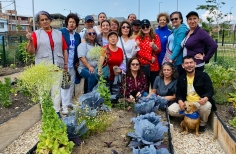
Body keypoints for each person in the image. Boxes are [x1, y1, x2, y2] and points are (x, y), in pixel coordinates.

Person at [26, 11, 68, 118]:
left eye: (46, 19)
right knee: (44, 92)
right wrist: (30, 41)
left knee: (56, 92)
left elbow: (64, 50)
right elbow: (31, 52)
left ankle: (56, 113)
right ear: (39, 22)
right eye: (42, 20)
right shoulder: (36, 34)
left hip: (57, 67)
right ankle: (46, 115)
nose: (45, 21)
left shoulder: (59, 33)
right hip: (43, 69)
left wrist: (66, 64)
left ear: (50, 20)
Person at [168, 55, 217, 132]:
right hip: (187, 103)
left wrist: (206, 98)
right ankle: (189, 117)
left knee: (207, 106)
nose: (189, 65)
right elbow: (179, 93)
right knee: (171, 110)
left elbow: (210, 90)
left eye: (191, 62)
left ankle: (201, 124)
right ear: (183, 66)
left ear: (195, 63)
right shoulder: (181, 78)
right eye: (186, 63)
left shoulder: (203, 76)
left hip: (199, 103)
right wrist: (180, 101)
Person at [60, 13, 81, 114]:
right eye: (70, 22)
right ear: (67, 23)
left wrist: (77, 61)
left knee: (71, 83)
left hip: (73, 63)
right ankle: (64, 106)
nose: (72, 24)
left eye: (74, 22)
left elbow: (78, 49)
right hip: (64, 63)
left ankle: (69, 102)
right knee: (65, 84)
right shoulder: (61, 32)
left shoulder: (77, 36)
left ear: (76, 24)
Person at [135, 19, 162, 89]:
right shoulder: (138, 38)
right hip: (143, 65)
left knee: (155, 87)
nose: (145, 28)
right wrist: (150, 57)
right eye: (143, 27)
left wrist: (154, 46)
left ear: (150, 27)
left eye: (147, 26)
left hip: (154, 66)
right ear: (141, 28)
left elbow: (158, 50)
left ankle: (155, 99)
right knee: (144, 87)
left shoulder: (155, 36)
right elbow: (138, 51)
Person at [98, 31, 126, 96]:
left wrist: (120, 70)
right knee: (106, 97)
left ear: (117, 39)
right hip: (106, 76)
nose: (113, 39)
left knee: (115, 97)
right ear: (108, 39)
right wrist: (99, 69)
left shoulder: (120, 50)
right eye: (111, 37)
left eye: (114, 37)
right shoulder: (104, 49)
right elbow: (101, 60)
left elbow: (121, 63)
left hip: (116, 77)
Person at [77, 28, 99, 92]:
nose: (92, 35)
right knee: (92, 74)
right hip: (83, 68)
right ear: (86, 35)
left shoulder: (97, 46)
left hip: (96, 68)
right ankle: (90, 95)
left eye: (94, 33)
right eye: (89, 33)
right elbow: (82, 58)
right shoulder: (83, 45)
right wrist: (89, 67)